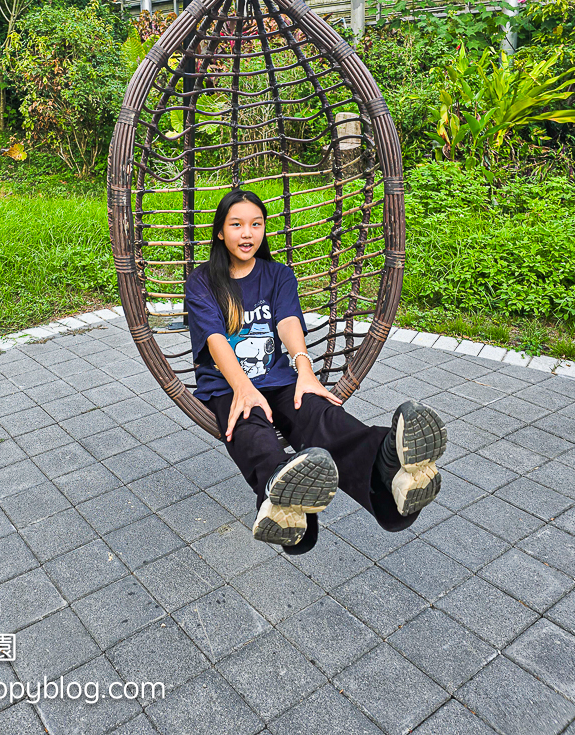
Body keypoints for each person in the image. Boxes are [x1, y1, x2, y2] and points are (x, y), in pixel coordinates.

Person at [185, 189, 447, 554]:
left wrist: (303, 369)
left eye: (256, 224)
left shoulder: (277, 275)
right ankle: (285, 508)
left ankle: (387, 468)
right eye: (237, 225)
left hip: (277, 378)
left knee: (319, 416)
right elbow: (214, 338)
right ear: (220, 232)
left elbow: (288, 322)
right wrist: (244, 388)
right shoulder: (203, 282)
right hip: (227, 386)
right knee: (251, 428)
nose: (247, 234)